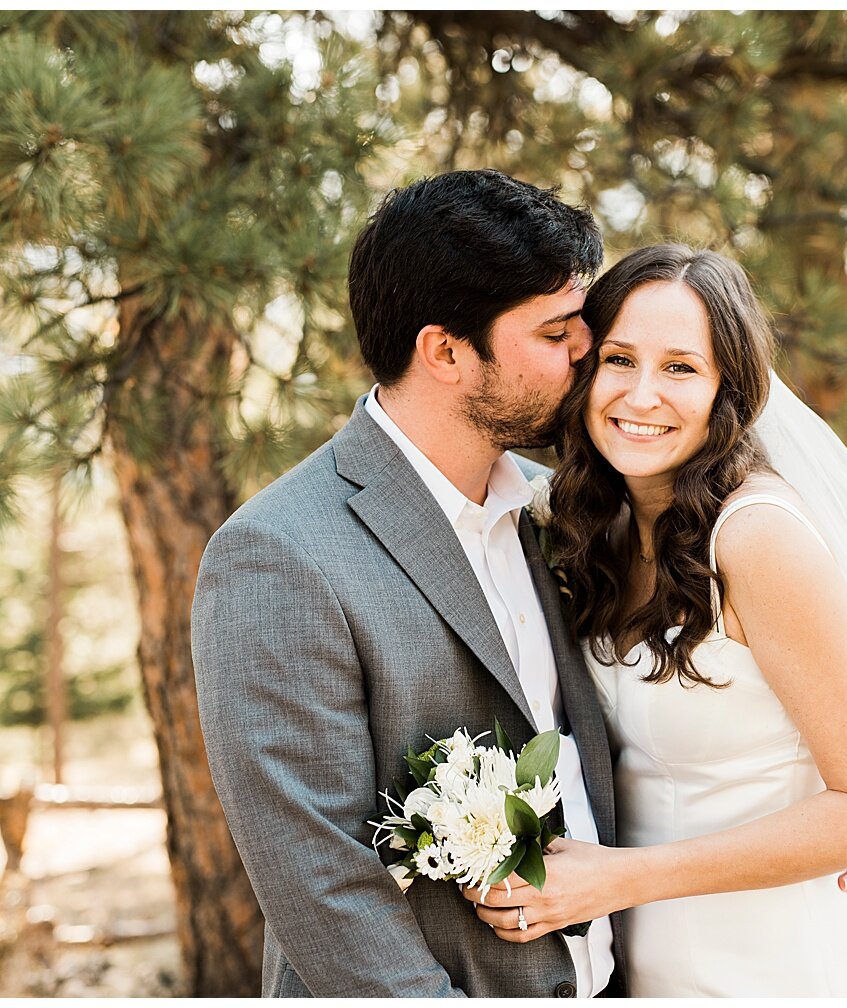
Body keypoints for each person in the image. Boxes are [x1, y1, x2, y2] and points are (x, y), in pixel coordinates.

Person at [464, 245, 847, 996]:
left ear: (730, 388)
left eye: (681, 368)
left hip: (779, 968)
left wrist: (622, 880)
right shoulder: (600, 530)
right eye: (620, 359)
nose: (641, 394)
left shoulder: (757, 538)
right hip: (645, 974)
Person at [190, 170, 623, 997]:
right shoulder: (277, 556)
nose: (586, 352)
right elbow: (321, 880)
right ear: (447, 352)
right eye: (556, 331)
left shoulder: (554, 511)